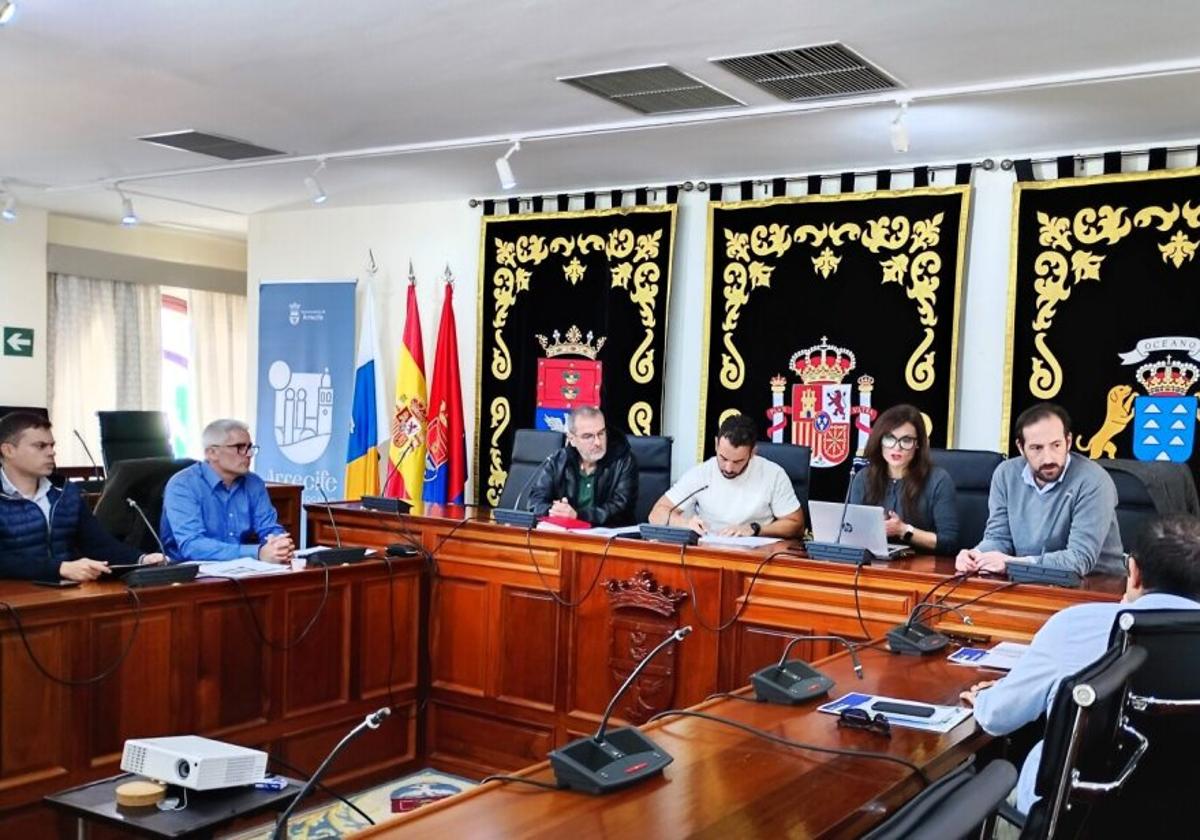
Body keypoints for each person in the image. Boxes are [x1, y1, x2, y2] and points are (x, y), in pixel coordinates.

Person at [960, 514, 1200, 815]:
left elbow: (998, 717)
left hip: (1074, 819)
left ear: (1134, 572)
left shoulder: (1075, 624)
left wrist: (984, 698)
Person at [956, 402, 1123, 577]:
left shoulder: (1094, 480)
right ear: (1021, 447)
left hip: (1096, 585)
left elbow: (1079, 560)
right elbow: (998, 538)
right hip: (1026, 579)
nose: (1048, 458)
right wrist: (976, 556)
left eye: (1056, 445)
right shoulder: (1006, 474)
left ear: (1068, 441)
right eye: (1037, 448)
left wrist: (1012, 564)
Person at [0, 411, 164, 581]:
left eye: (52, 445)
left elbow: (98, 544)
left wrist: (142, 559)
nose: (51, 453)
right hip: (12, 597)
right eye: (41, 446)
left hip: (64, 591)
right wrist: (59, 568)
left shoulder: (66, 492)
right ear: (8, 450)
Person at [648, 413, 804, 538]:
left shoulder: (773, 474)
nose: (728, 468)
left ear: (753, 453)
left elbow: (796, 525)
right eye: (723, 458)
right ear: (716, 444)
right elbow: (656, 514)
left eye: (738, 461)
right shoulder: (702, 473)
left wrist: (755, 529)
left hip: (757, 556)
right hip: (709, 552)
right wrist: (685, 523)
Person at [160, 419, 295, 562]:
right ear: (212, 453)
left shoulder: (254, 483)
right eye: (240, 447)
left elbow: (269, 527)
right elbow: (192, 546)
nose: (248, 454)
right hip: (190, 573)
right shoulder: (183, 485)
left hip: (241, 569)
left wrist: (280, 544)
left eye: (250, 447)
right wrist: (257, 553)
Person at [848, 404, 959, 554]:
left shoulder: (938, 480)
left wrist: (904, 530)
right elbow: (852, 532)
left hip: (922, 570)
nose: (897, 447)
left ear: (918, 444)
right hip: (872, 565)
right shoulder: (863, 478)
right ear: (879, 441)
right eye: (889, 438)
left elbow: (949, 542)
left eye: (906, 440)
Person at [527, 407, 638, 526]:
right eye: (588, 436)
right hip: (565, 536)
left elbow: (621, 507)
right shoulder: (559, 460)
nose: (597, 442)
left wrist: (577, 516)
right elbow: (534, 501)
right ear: (572, 439)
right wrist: (555, 511)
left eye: (601, 433)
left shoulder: (623, 460)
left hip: (608, 537)